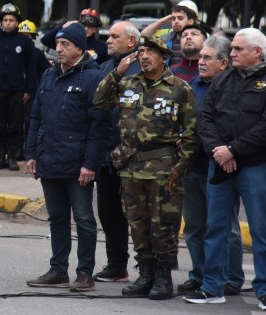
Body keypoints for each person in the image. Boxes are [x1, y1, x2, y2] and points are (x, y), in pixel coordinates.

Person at [93, 34, 198, 300]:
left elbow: (192, 131)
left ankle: (163, 278)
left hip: (164, 168)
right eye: (141, 52)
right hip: (131, 167)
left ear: (164, 57)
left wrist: (181, 166)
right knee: (137, 224)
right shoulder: (129, 83)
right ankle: (146, 274)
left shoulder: (179, 88)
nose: (144, 56)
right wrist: (116, 73)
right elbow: (99, 100)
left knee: (162, 225)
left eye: (151, 52)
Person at [25, 23, 111, 292]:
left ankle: (85, 273)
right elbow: (36, 116)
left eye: (65, 45)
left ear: (79, 49)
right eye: (58, 44)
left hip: (77, 164)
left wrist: (90, 163)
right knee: (57, 219)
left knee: (84, 219)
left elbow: (100, 126)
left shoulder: (92, 77)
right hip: (49, 158)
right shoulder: (50, 74)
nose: (58, 49)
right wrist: (31, 153)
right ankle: (58, 269)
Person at [186, 28, 266, 309]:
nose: (231, 54)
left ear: (258, 52)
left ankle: (264, 289)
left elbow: (263, 128)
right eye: (231, 49)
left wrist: (233, 150)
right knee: (215, 227)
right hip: (219, 164)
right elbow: (204, 119)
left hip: (255, 165)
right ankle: (212, 287)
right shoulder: (223, 81)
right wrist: (220, 151)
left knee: (260, 230)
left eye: (238, 50)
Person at [178, 34, 245, 297]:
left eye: (207, 57)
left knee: (224, 226)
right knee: (194, 225)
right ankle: (200, 274)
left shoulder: (233, 89)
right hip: (191, 165)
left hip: (219, 166)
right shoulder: (192, 85)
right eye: (200, 56)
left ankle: (231, 277)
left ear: (224, 63)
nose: (200, 61)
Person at [92, 20, 140, 283]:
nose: (108, 40)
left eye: (114, 36)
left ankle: (151, 269)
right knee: (109, 212)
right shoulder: (105, 67)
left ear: (131, 41)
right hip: (107, 153)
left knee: (139, 215)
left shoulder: (143, 66)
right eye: (107, 36)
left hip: (135, 156)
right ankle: (116, 265)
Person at [0, 3, 36, 171]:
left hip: (17, 91)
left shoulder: (24, 41)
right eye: (5, 20)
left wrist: (29, 89)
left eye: (11, 20)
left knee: (15, 126)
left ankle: (13, 157)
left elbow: (31, 67)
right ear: (1, 22)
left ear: (17, 23)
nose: (8, 23)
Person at [141, 0, 199, 67]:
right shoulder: (166, 38)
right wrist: (164, 20)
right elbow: (143, 37)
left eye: (180, 18)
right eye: (173, 18)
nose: (176, 21)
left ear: (191, 21)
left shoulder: (201, 39)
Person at [40, 8, 108, 62]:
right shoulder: (68, 43)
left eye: (90, 26)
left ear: (95, 29)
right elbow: (45, 40)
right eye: (83, 25)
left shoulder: (103, 47)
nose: (86, 28)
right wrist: (63, 26)